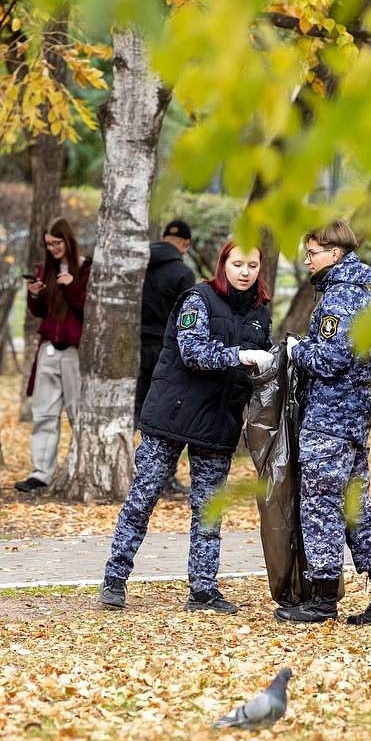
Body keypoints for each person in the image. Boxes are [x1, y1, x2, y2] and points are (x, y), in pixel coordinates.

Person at [99, 239, 274, 614]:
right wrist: (240, 356)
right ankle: (114, 578)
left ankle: (203, 588)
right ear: (223, 264)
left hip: (218, 423)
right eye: (238, 264)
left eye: (253, 266)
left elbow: (265, 364)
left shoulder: (261, 314)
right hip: (171, 416)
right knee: (143, 498)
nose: (245, 272)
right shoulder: (198, 299)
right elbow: (192, 352)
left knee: (208, 508)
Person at [275, 220, 371, 626]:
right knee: (356, 510)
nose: (308, 260)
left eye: (313, 253)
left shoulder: (337, 301)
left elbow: (330, 361)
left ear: (335, 254)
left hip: (328, 422)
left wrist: (298, 350)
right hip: (353, 425)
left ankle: (323, 600)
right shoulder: (366, 298)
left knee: (321, 509)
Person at [14, 217, 91, 492]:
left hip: (73, 349)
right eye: (48, 244)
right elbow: (40, 311)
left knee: (77, 411)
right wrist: (34, 295)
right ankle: (41, 473)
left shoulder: (85, 268)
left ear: (68, 240)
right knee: (44, 412)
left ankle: (83, 466)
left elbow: (85, 307)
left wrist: (71, 285)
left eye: (57, 242)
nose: (53, 248)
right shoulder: (43, 269)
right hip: (48, 347)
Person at [136, 219, 196, 419]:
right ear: (186, 245)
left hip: (133, 343)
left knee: (134, 404)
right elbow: (184, 318)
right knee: (156, 406)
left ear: (163, 239)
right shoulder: (183, 274)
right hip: (163, 347)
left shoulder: (138, 264)